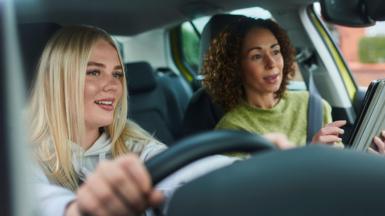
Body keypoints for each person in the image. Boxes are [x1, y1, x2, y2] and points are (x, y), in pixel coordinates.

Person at [28, 25, 168, 216]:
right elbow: (33, 197)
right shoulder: (22, 156)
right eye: (94, 72)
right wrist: (76, 210)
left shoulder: (135, 146)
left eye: (117, 74)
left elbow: (183, 175)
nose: (113, 86)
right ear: (55, 81)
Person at [202, 16, 385, 150]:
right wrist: (310, 154)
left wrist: (372, 160)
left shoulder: (313, 105)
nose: (271, 63)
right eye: (256, 56)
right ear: (234, 67)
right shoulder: (231, 128)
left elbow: (339, 173)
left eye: (275, 51)